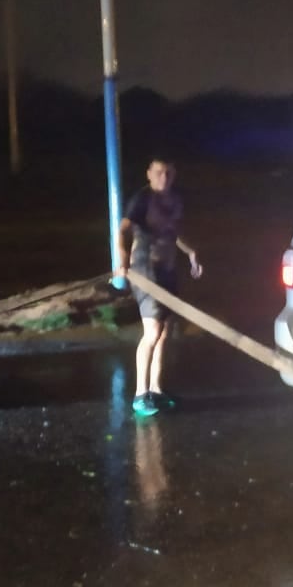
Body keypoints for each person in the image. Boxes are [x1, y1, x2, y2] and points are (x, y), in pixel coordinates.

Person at [114, 159, 202, 417]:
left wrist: (191, 253)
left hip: (168, 270)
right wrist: (122, 262)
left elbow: (173, 233)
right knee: (152, 331)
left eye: (168, 172)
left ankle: (157, 389)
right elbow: (123, 231)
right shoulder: (142, 199)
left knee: (164, 331)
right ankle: (141, 394)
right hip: (145, 269)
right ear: (149, 174)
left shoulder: (175, 199)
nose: (163, 177)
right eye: (158, 172)